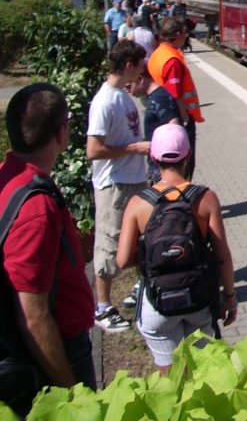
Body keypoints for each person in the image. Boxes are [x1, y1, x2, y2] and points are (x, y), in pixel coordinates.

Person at [0, 84, 97, 401]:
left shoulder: (11, 176)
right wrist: (71, 392)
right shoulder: (35, 209)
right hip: (59, 353)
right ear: (62, 133)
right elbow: (33, 315)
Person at [116, 124, 237, 376]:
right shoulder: (206, 198)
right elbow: (222, 256)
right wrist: (229, 296)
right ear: (189, 155)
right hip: (199, 300)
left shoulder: (138, 203)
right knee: (204, 372)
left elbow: (122, 260)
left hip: (157, 302)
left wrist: (152, 257)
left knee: (172, 379)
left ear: (153, 157)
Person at [86, 40, 151, 332]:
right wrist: (133, 148)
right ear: (128, 65)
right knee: (109, 243)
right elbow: (93, 150)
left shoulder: (122, 95)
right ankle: (102, 307)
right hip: (114, 184)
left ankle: (138, 293)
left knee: (139, 241)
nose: (142, 72)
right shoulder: (105, 101)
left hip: (133, 180)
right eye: (139, 65)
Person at [148, 17, 204, 180]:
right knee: (184, 165)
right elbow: (175, 93)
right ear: (178, 34)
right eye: (185, 34)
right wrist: (184, 119)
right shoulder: (172, 60)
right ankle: (183, 200)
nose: (187, 37)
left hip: (161, 114)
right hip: (177, 117)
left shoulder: (159, 53)